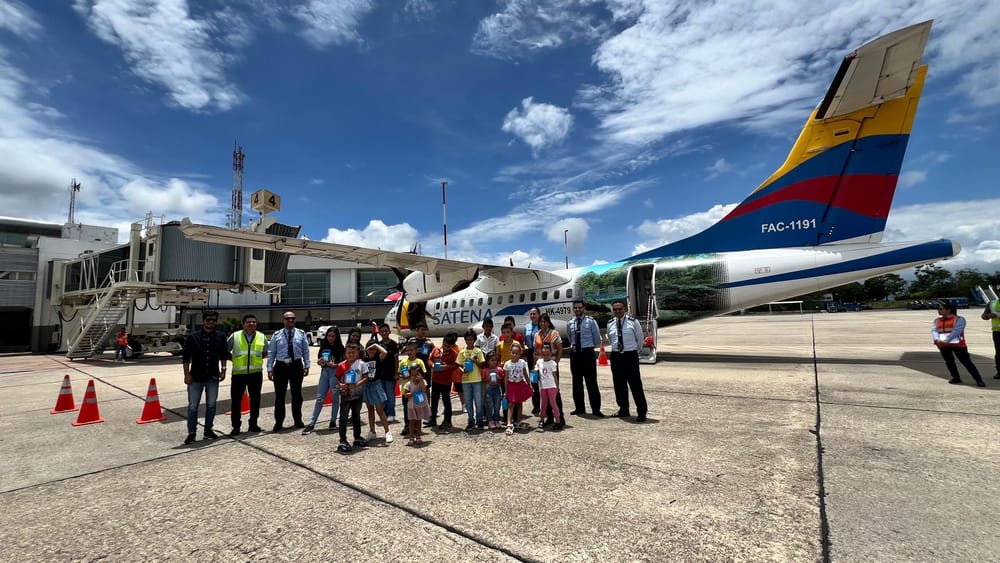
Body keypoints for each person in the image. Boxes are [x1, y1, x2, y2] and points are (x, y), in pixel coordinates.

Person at [181, 311, 228, 444]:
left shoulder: (220, 336)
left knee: (211, 405)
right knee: (193, 406)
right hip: (195, 377)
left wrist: (223, 370)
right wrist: (186, 374)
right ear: (203, 321)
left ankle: (208, 430)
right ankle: (191, 432)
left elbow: (223, 355)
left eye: (213, 320)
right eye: (208, 320)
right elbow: (186, 357)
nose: (211, 322)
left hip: (212, 377)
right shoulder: (193, 337)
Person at [266, 311, 311, 432]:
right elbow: (271, 352)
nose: (290, 320)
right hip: (281, 366)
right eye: (288, 319)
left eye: (292, 318)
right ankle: (279, 422)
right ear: (283, 321)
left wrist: (307, 365)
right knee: (280, 396)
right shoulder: (277, 335)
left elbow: (305, 350)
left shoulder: (301, 334)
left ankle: (298, 419)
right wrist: (269, 369)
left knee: (297, 395)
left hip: (296, 365)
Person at [606, 300, 649, 422]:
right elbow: (610, 339)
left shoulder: (633, 322)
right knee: (619, 385)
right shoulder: (610, 323)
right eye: (615, 309)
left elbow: (639, 339)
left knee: (635, 385)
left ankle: (642, 412)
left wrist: (633, 351)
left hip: (630, 356)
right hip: (616, 356)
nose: (618, 311)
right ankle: (623, 409)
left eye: (620, 309)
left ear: (624, 309)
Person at [227, 314, 267, 436]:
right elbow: (225, 350)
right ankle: (236, 426)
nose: (251, 324)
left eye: (254, 322)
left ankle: (253, 424)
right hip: (239, 374)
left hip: (255, 373)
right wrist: (234, 359)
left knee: (255, 400)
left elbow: (265, 352)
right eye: (248, 322)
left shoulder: (261, 336)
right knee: (236, 401)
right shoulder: (235, 336)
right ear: (243, 324)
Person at [933, 302, 986, 387]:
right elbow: (934, 330)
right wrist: (937, 339)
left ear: (948, 310)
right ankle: (956, 377)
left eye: (941, 309)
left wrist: (946, 340)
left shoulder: (959, 319)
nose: (938, 310)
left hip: (958, 345)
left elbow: (957, 331)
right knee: (949, 362)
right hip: (943, 345)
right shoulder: (937, 320)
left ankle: (979, 380)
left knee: (966, 362)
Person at [303, 327, 344, 435]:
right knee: (320, 398)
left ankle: (333, 421)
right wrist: (320, 362)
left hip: (335, 373)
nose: (331, 338)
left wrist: (335, 365)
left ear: (336, 337)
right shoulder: (324, 346)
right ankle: (312, 423)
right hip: (324, 372)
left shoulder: (340, 347)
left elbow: (344, 362)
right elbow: (319, 360)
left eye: (333, 336)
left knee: (335, 398)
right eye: (329, 336)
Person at [568, 300, 604, 417]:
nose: (578, 310)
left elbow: (596, 338)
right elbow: (570, 337)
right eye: (575, 308)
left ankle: (596, 409)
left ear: (584, 308)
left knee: (591, 382)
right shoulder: (570, 322)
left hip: (587, 353)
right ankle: (579, 408)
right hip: (575, 354)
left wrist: (587, 347)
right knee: (576, 382)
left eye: (580, 307)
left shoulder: (591, 321)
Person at [336, 342, 369, 452]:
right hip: (346, 395)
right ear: (345, 353)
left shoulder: (361, 364)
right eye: (349, 353)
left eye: (353, 353)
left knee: (356, 416)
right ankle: (342, 439)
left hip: (357, 394)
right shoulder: (341, 365)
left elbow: (366, 377)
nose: (351, 355)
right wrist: (341, 385)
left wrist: (357, 385)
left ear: (357, 352)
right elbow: (336, 379)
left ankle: (357, 436)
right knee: (344, 417)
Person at [533, 313, 564, 425]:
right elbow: (535, 351)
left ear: (548, 322)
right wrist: (535, 366)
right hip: (541, 367)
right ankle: (549, 417)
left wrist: (555, 363)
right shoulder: (537, 334)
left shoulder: (554, 333)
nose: (542, 323)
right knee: (544, 394)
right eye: (541, 321)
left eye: (545, 321)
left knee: (555, 393)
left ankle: (560, 418)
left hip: (551, 366)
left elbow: (560, 349)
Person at [362, 340, 393, 443]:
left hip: (376, 384)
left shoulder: (378, 358)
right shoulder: (364, 360)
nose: (372, 351)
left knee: (380, 410)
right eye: (370, 349)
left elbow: (385, 352)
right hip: (367, 385)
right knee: (370, 410)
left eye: (374, 349)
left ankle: (387, 432)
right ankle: (372, 431)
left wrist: (376, 345)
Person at [428, 331, 459, 429]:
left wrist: (445, 367)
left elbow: (456, 365)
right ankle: (433, 418)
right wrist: (432, 365)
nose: (445, 347)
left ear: (452, 346)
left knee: (446, 400)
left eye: (448, 346)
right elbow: (429, 360)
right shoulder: (436, 350)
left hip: (446, 381)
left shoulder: (453, 354)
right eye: (444, 345)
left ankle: (447, 420)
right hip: (435, 379)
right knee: (434, 399)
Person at [503, 341, 533, 436]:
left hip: (520, 384)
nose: (514, 355)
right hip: (511, 385)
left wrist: (529, 384)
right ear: (510, 352)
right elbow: (505, 378)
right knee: (511, 404)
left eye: (517, 353)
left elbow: (525, 374)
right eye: (513, 353)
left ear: (520, 353)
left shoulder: (522, 362)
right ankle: (509, 422)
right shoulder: (507, 364)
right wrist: (506, 390)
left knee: (520, 403)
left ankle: (519, 421)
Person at [459, 329, 486, 429]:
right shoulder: (462, 352)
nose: (469, 341)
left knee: (478, 401)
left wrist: (475, 361)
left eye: (471, 339)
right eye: (468, 339)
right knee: (468, 401)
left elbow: (482, 365)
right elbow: (458, 365)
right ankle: (470, 420)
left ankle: (479, 420)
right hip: (466, 380)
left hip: (476, 380)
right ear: (465, 340)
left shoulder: (478, 351)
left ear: (474, 340)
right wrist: (463, 370)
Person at [398, 338, 425, 437]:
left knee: (418, 409)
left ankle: (417, 428)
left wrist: (418, 378)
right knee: (407, 409)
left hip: (418, 391)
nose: (409, 352)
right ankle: (407, 426)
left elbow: (424, 373)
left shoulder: (420, 362)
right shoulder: (403, 362)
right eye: (407, 350)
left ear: (416, 351)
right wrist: (402, 376)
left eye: (411, 350)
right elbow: (398, 374)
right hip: (406, 390)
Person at [373, 323, 400, 422]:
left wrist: (396, 372)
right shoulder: (378, 345)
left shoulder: (394, 344)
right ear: (379, 333)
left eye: (386, 331)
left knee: (390, 394)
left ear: (389, 332)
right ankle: (383, 413)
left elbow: (396, 359)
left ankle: (391, 413)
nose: (384, 333)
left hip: (390, 373)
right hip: (380, 374)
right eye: (382, 331)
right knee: (382, 395)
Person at [402, 357, 431, 446]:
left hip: (420, 404)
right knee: (411, 422)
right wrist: (412, 394)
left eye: (417, 375)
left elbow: (424, 390)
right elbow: (405, 394)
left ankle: (418, 436)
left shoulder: (423, 382)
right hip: (412, 405)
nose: (415, 377)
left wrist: (421, 380)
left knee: (419, 421)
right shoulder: (408, 384)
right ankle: (411, 437)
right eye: (412, 375)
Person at [534, 343, 563, 429]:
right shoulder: (539, 362)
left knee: (553, 403)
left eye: (547, 354)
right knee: (543, 404)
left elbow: (554, 375)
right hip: (543, 386)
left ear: (551, 354)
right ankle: (542, 420)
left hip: (551, 386)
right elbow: (535, 370)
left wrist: (557, 387)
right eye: (544, 354)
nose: (545, 356)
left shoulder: (553, 363)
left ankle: (558, 421)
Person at [523, 308, 540, 414]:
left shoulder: (542, 326)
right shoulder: (527, 327)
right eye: (531, 314)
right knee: (534, 380)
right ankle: (536, 406)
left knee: (543, 379)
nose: (532, 316)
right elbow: (525, 341)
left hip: (540, 353)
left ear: (539, 315)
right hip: (530, 353)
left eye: (534, 314)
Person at [482, 351, 504, 429]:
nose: (494, 362)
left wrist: (499, 378)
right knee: (489, 406)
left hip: (497, 389)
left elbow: (502, 379)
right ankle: (490, 421)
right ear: (488, 361)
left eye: (495, 360)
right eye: (492, 360)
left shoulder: (499, 369)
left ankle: (497, 420)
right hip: (488, 389)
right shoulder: (485, 370)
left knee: (497, 405)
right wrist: (487, 379)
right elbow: (483, 380)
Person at [982, 296, 1000, 379]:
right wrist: (986, 316)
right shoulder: (992, 303)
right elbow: (984, 315)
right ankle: (999, 371)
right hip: (997, 332)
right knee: (999, 352)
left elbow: (995, 315)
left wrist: (996, 315)